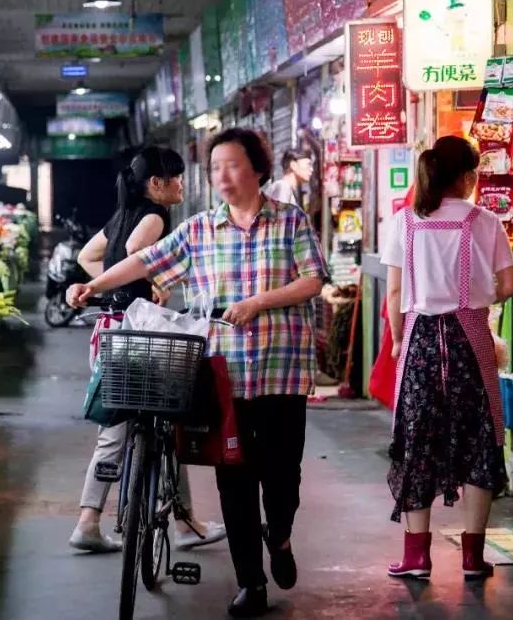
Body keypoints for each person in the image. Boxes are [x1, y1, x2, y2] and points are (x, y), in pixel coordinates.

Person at [67, 128, 327, 618]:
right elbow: (144, 260)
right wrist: (91, 285)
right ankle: (252, 583)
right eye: (214, 168)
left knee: (282, 479)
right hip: (224, 379)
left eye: (231, 165)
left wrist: (259, 303)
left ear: (256, 169)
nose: (221, 176)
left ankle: (282, 534)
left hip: (282, 374)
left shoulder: (291, 223)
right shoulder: (198, 229)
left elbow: (313, 280)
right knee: (234, 482)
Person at [69, 146, 226, 554]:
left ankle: (92, 520)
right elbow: (135, 254)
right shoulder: (154, 216)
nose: (182, 184)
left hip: (108, 330)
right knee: (168, 420)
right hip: (141, 335)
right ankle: (184, 522)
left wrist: (110, 286)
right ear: (156, 184)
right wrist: (154, 283)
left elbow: (89, 256)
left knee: (115, 429)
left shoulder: (120, 214)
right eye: (175, 177)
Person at [381, 136, 513, 581]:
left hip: (421, 339)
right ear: (467, 177)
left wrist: (400, 340)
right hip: (470, 339)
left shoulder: (404, 222)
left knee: (417, 439)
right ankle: (472, 557)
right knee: (480, 437)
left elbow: (396, 294)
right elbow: (510, 284)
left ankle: (417, 556)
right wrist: (485, 295)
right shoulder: (487, 221)